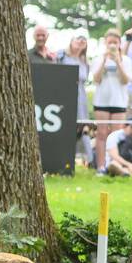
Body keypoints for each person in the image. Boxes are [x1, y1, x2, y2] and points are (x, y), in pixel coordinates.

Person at [91, 30, 132, 174]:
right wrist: (104, 60)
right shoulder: (98, 59)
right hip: (101, 102)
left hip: (119, 102)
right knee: (101, 134)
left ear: (120, 44)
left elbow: (126, 80)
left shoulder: (126, 60)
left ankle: (115, 164)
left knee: (116, 135)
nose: (113, 45)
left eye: (115, 42)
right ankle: (101, 166)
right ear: (105, 43)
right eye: (110, 42)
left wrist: (118, 62)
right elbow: (96, 79)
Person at [57, 33, 93, 167]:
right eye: (78, 39)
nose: (80, 42)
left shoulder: (84, 61)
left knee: (81, 127)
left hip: (81, 97)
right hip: (65, 94)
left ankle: (87, 159)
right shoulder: (61, 56)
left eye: (83, 41)